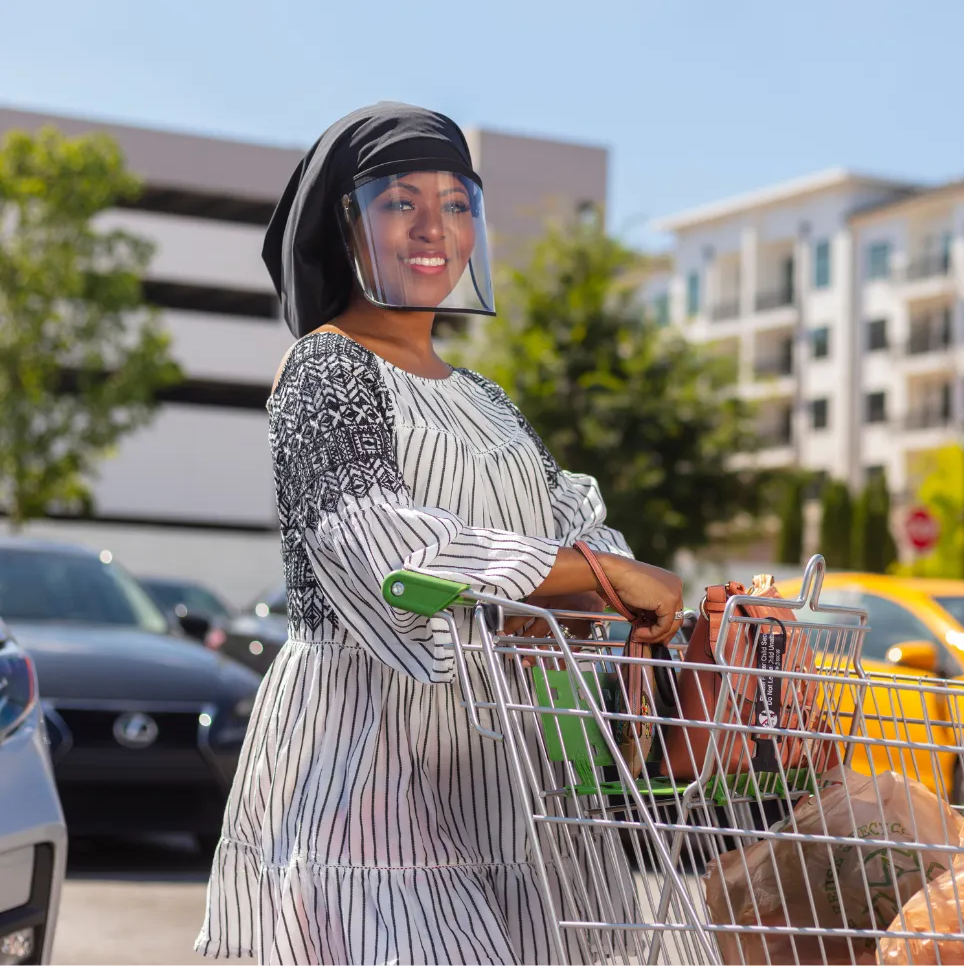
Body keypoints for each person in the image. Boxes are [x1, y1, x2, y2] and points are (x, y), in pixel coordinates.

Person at [195, 101, 685, 965]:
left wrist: (600, 587)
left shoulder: (484, 397)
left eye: (456, 204)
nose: (435, 228)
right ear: (345, 222)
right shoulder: (325, 367)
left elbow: (576, 523)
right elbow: (380, 545)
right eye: (400, 202)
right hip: (369, 754)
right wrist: (601, 578)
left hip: (509, 766)